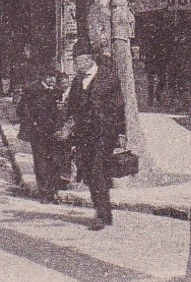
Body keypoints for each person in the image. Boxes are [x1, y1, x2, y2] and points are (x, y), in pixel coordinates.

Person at [66, 43, 126, 230]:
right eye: (76, 62)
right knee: (90, 173)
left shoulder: (108, 78)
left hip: (104, 133)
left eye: (81, 61)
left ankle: (102, 214)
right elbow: (73, 106)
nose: (78, 65)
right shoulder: (77, 81)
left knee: (98, 169)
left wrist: (122, 132)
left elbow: (119, 107)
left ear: (90, 59)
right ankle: (102, 209)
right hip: (84, 135)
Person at [18, 69, 70, 203]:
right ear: (43, 76)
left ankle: (52, 190)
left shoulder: (57, 92)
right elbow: (21, 109)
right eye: (49, 76)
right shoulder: (32, 90)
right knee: (41, 161)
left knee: (54, 160)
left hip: (53, 132)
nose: (52, 79)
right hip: (38, 131)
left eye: (54, 76)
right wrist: (33, 123)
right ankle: (45, 193)